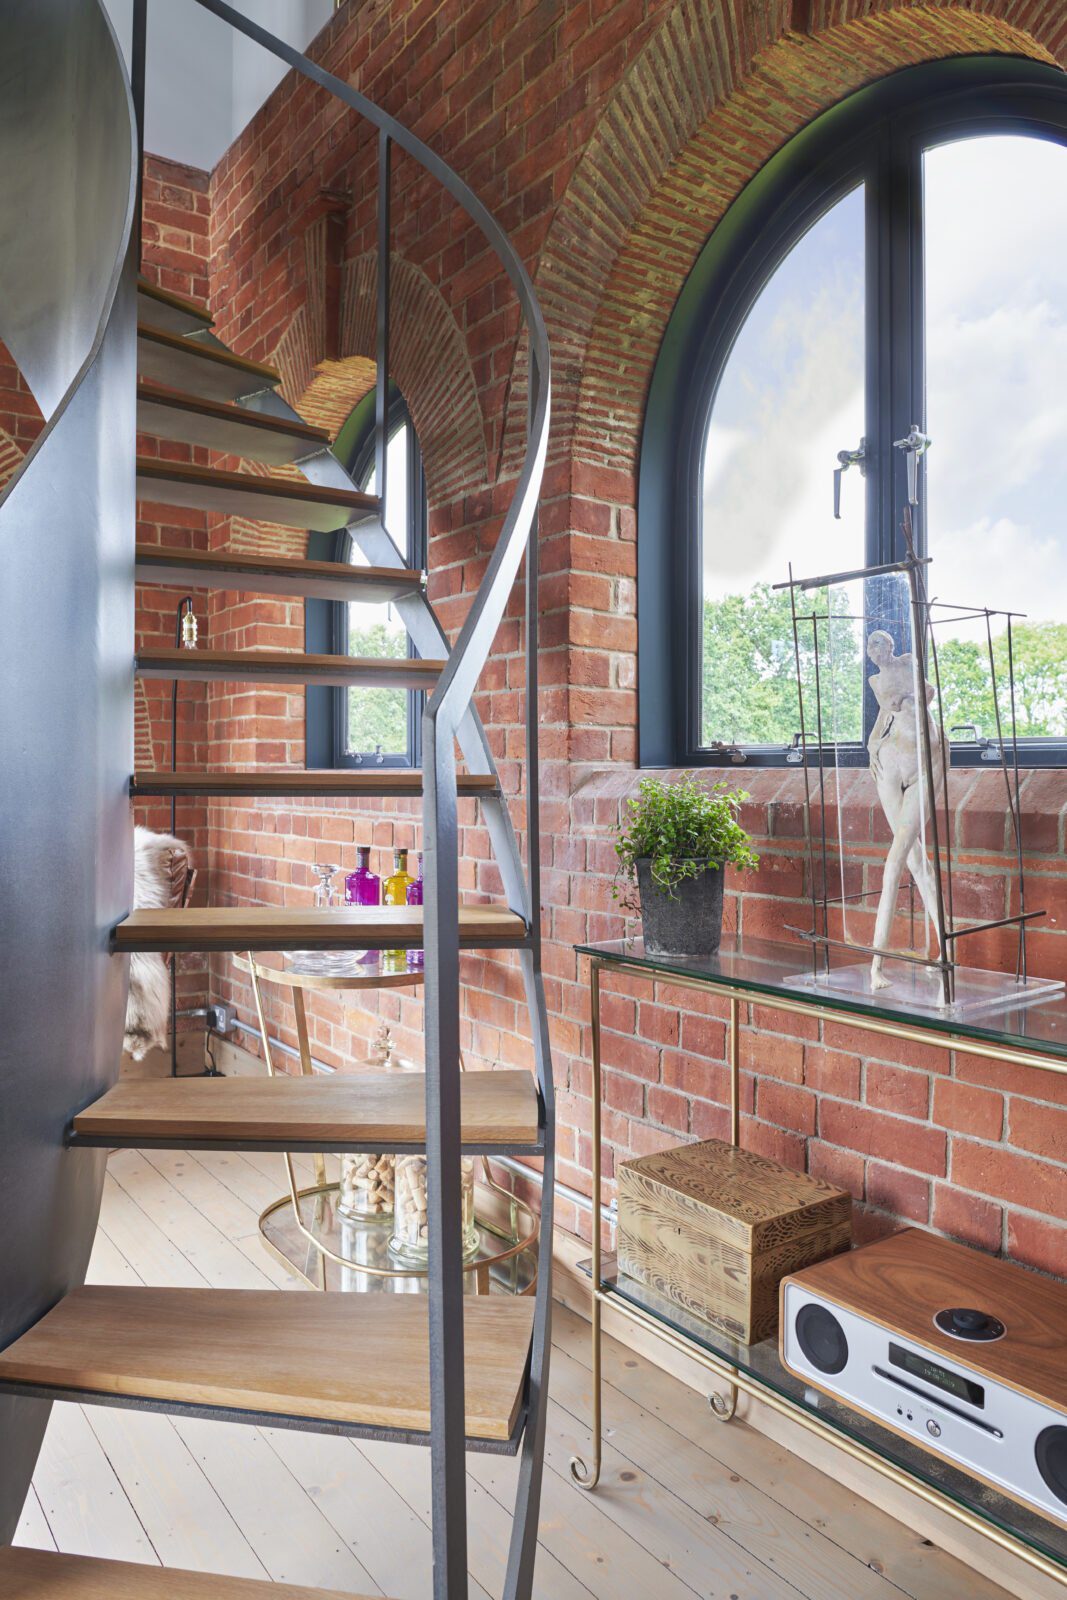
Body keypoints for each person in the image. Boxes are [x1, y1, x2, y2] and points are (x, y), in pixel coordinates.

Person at [865, 629, 944, 990]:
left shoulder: (909, 663)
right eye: (869, 648)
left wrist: (910, 697)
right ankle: (941, 950)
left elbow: (928, 695)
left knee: (897, 860)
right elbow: (883, 717)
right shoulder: (874, 679)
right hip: (889, 761)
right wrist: (871, 746)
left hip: (922, 760)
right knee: (915, 862)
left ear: (890, 646)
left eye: (877, 645)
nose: (873, 652)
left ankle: (877, 963)